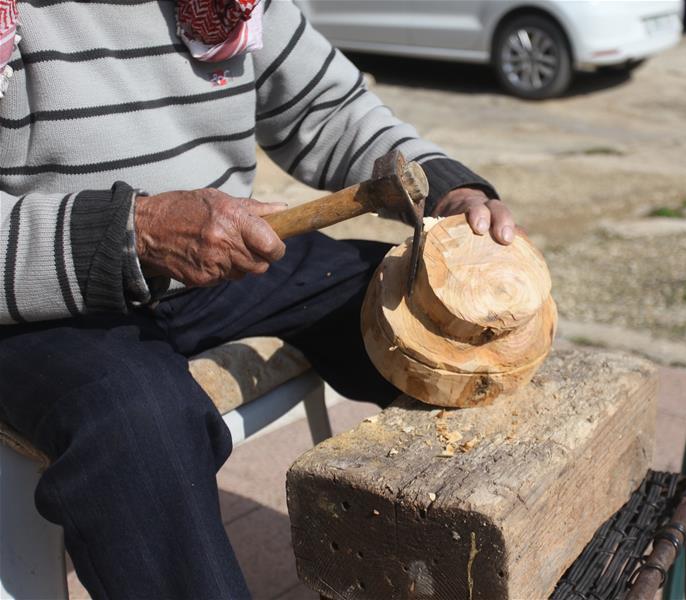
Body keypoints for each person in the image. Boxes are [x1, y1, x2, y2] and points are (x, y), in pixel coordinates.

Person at [0, 0, 515, 596]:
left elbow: (329, 109)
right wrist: (132, 233)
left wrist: (449, 190)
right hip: (44, 296)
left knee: (440, 313)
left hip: (219, 262)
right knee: (137, 423)